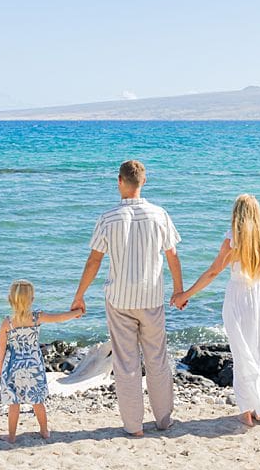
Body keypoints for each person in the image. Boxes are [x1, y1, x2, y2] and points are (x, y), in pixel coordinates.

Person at [70, 159, 183, 437]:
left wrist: (79, 295)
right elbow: (172, 256)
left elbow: (94, 261)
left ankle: (134, 426)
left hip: (120, 300)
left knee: (126, 364)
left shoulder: (108, 218)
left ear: (119, 181)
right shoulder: (159, 214)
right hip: (151, 297)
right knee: (157, 359)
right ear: (144, 181)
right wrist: (178, 290)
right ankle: (164, 420)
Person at [172, 194, 260, 426]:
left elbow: (212, 272)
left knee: (242, 352)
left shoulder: (232, 240)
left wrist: (185, 295)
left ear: (237, 215)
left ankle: (247, 410)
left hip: (239, 297)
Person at [0, 279, 82, 442]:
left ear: (10, 299)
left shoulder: (8, 323)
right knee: (37, 401)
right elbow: (59, 318)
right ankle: (44, 431)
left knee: (14, 403)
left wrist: (1, 368)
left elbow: (1, 348)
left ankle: (12, 436)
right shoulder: (37, 317)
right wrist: (76, 313)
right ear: (32, 299)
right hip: (34, 365)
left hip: (13, 367)